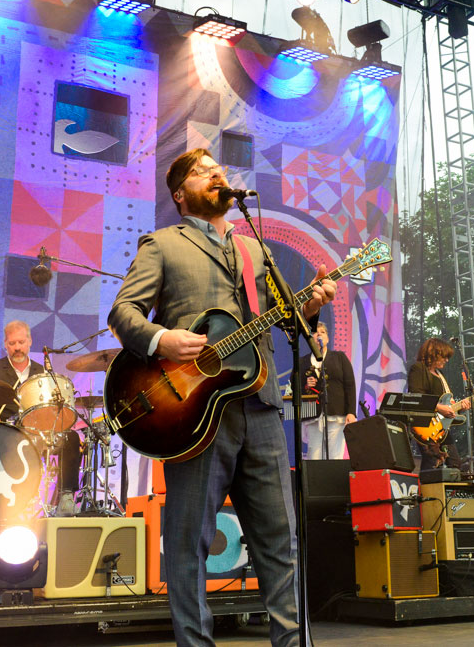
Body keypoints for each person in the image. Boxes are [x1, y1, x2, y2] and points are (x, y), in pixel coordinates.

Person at [108, 148, 335, 646]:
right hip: (192, 413)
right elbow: (123, 313)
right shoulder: (163, 244)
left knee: (281, 543)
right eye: (201, 171)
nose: (216, 174)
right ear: (179, 193)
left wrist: (310, 309)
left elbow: (285, 321)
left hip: (262, 406)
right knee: (189, 545)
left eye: (218, 169)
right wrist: (161, 340)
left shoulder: (255, 248)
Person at [0, 320, 80, 511]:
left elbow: (51, 410)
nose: (17, 348)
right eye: (12, 343)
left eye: (21, 342)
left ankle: (65, 497)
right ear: (5, 344)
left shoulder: (43, 373)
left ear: (29, 342)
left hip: (36, 434)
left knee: (70, 437)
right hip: (4, 435)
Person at [407, 337, 470, 469]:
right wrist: (439, 408)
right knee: (431, 461)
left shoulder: (440, 375)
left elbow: (447, 403)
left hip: (442, 427)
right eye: (444, 357)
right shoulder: (418, 368)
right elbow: (416, 396)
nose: (446, 360)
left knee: (455, 464)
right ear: (433, 354)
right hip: (425, 425)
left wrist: (460, 407)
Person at [301, 322, 356, 460]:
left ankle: (333, 476)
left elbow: (350, 385)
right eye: (315, 332)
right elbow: (294, 387)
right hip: (313, 414)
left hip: (336, 412)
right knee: (314, 456)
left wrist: (351, 412)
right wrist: (306, 385)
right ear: (310, 338)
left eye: (322, 332)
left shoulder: (339, 357)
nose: (319, 334)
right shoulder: (302, 361)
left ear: (328, 338)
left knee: (335, 456)